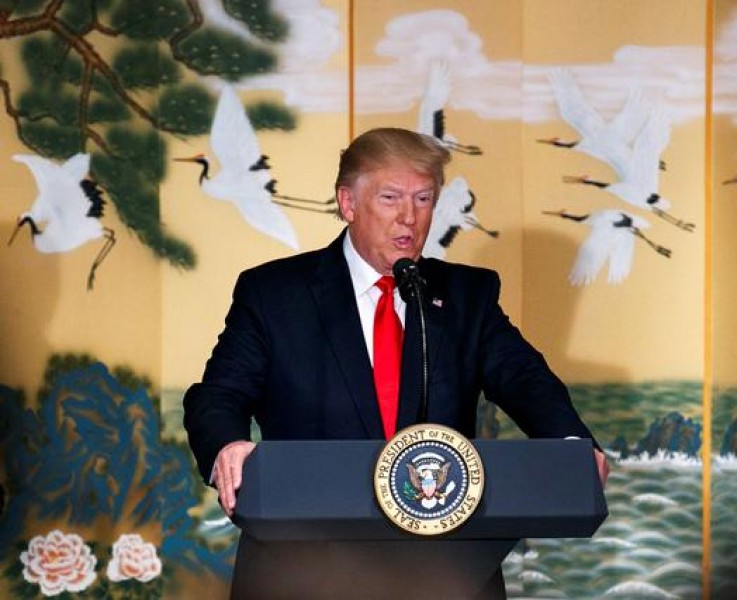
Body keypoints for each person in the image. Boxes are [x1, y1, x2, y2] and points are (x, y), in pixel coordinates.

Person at [183, 127, 609, 599]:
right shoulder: (275, 294)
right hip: (304, 568)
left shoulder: (467, 296)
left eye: (424, 199)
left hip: (446, 570)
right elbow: (219, 394)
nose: (409, 217)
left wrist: (573, 444)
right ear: (348, 203)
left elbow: (526, 380)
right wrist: (227, 445)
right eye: (390, 198)